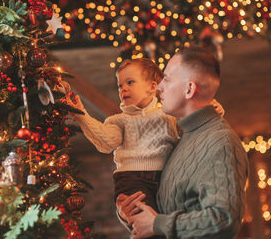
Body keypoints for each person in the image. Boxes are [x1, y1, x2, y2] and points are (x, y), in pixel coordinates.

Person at [116, 46, 249, 239]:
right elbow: (160, 216)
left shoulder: (221, 143)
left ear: (189, 89)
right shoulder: (179, 140)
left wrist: (157, 224)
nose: (159, 86)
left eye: (167, 79)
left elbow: (224, 219)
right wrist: (130, 214)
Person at [66, 58, 224, 216]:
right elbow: (105, 142)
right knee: (146, 222)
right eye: (120, 85)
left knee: (171, 219)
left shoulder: (169, 116)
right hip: (132, 181)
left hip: (165, 178)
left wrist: (209, 111)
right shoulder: (120, 120)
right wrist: (81, 115)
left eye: (130, 82)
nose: (123, 89)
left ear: (152, 87)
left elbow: (192, 127)